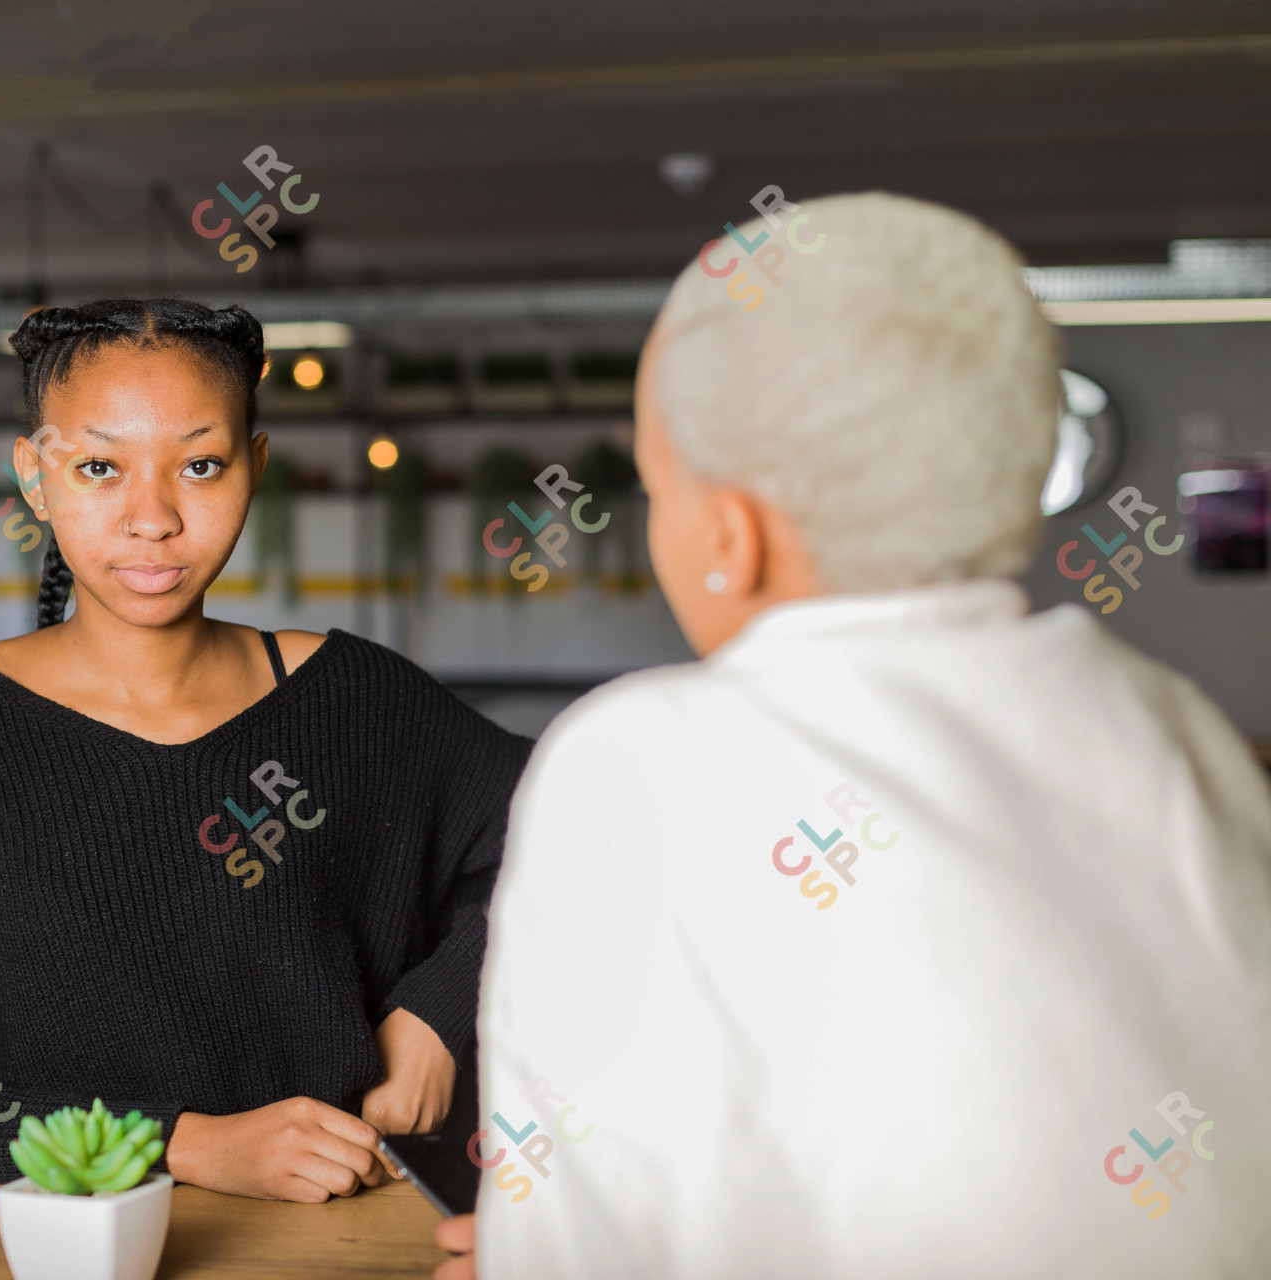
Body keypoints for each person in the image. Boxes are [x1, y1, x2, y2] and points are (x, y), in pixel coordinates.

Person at [435, 193, 1271, 1278]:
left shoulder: (635, 759)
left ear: (729, 533)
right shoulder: (1174, 722)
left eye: (655, 483)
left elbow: (581, 1245)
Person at [0, 297, 533, 1201]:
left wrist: (437, 1012)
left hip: (331, 1245)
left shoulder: (357, 698)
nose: (154, 517)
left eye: (201, 464)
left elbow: (575, 826)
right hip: (53, 1257)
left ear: (254, 468)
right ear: (35, 475)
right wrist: (179, 1145)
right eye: (100, 466)